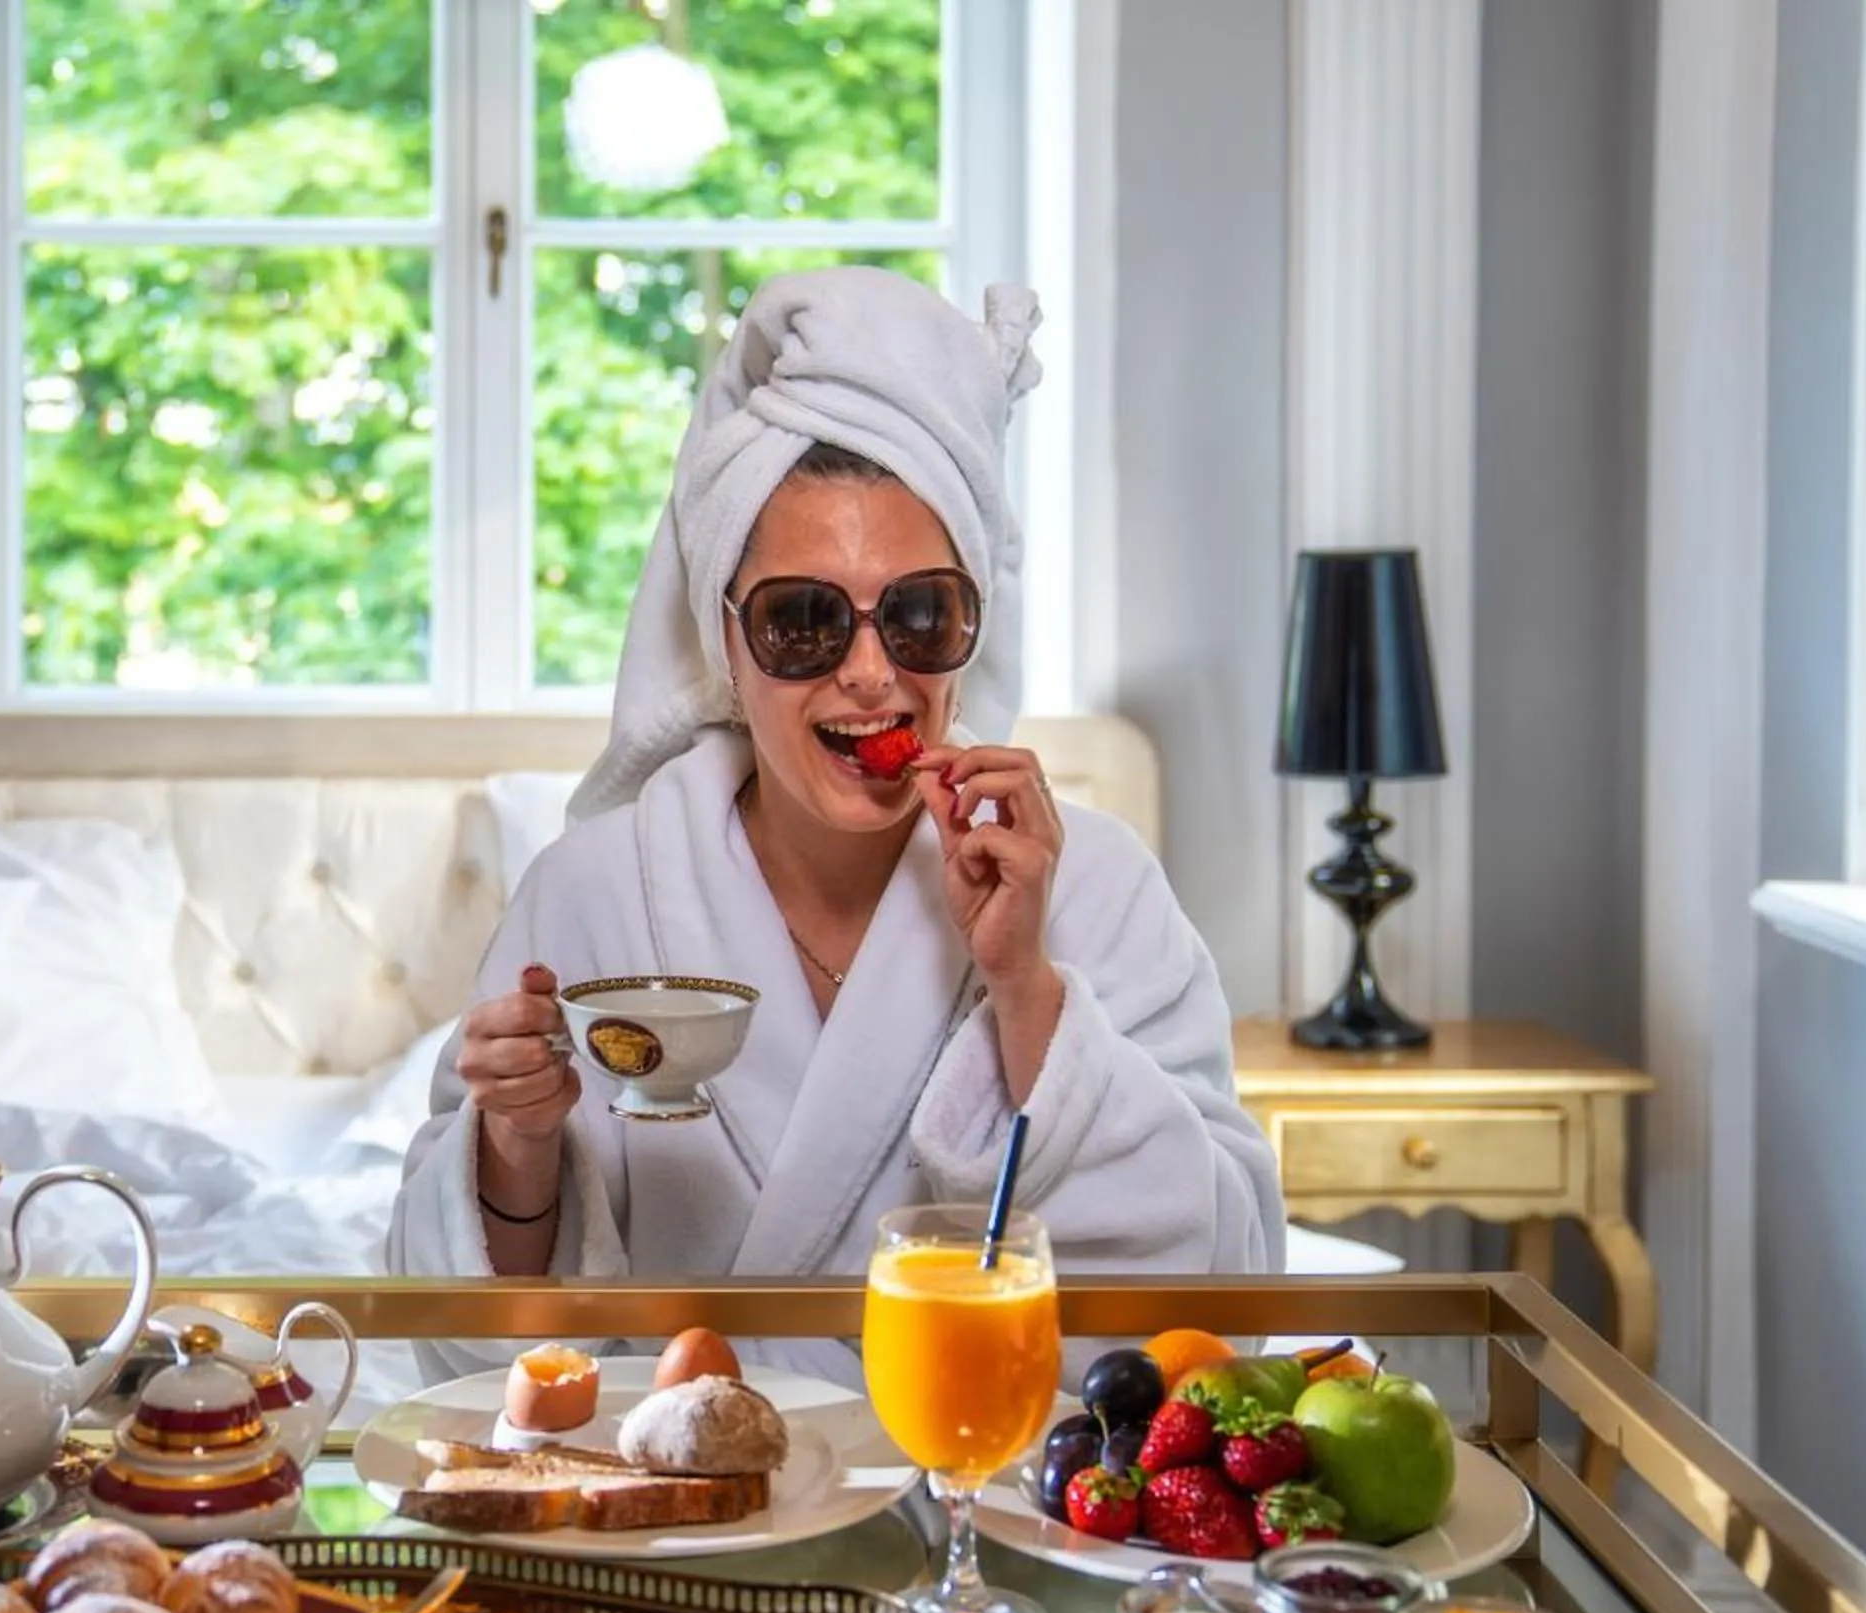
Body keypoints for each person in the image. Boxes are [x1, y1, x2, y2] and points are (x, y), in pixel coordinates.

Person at [388, 269, 1283, 1384]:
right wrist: (516, 1146)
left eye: (918, 615)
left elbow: (1224, 1292)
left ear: (970, 626)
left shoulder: (1094, 886)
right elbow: (456, 1339)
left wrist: (1026, 991)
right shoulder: (597, 891)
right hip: (692, 1517)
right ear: (727, 640)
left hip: (988, 1499)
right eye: (804, 622)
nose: (872, 675)